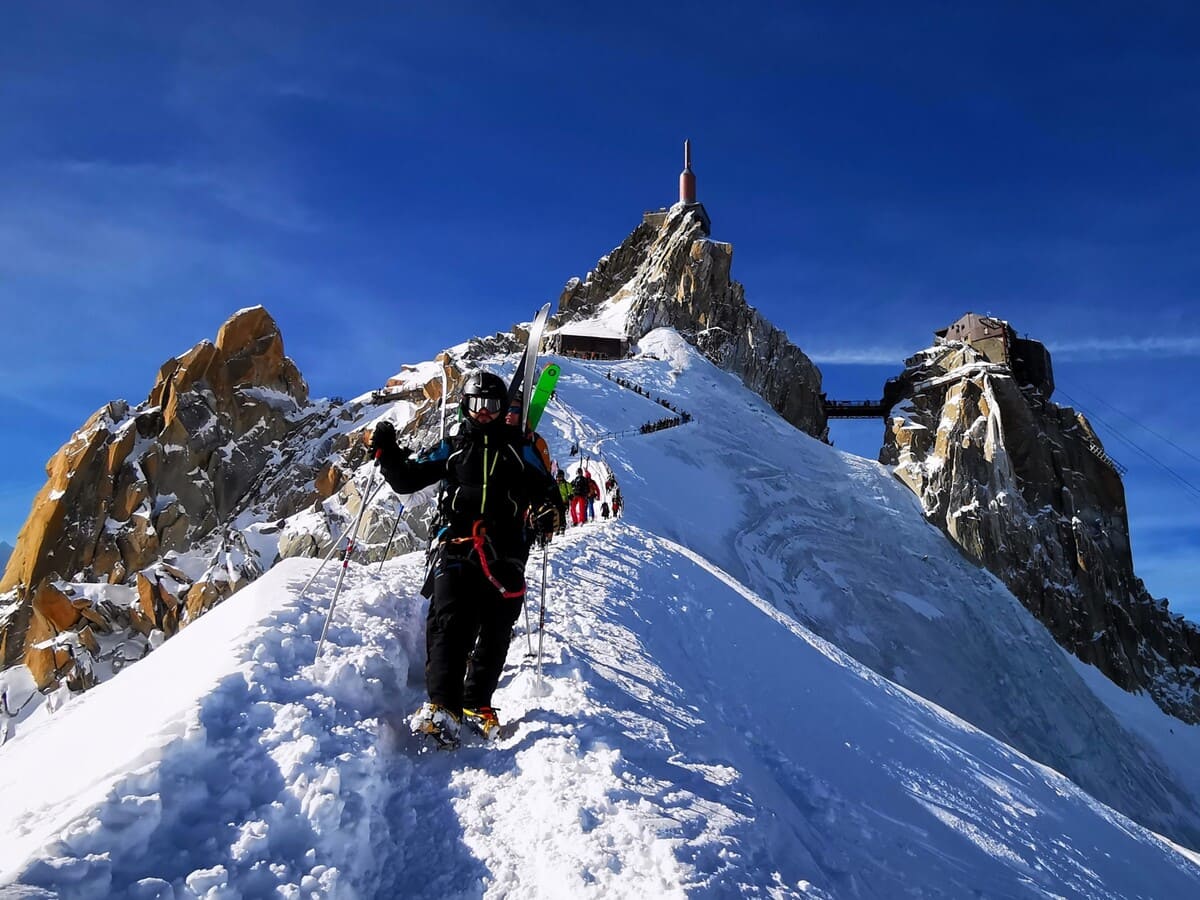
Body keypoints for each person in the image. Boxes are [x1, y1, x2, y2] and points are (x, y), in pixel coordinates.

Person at [370, 371, 561, 746]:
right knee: (449, 620)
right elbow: (408, 479)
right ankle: (443, 706)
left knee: (496, 628)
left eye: (492, 406)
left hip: (507, 550)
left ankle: (478, 705)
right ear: (466, 407)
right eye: (477, 405)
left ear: (503, 408)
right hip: (457, 543)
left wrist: (546, 512)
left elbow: (550, 495)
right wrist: (388, 451)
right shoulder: (453, 446)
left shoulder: (520, 450)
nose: (484, 413)